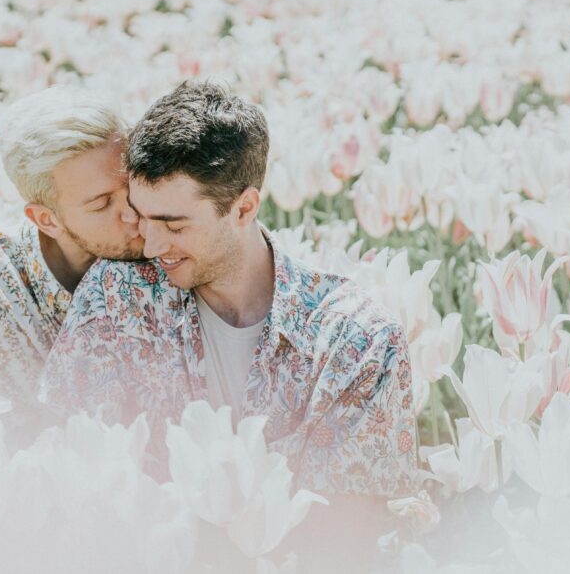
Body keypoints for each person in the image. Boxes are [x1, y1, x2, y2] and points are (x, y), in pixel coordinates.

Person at [40, 81, 418, 572]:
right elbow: (73, 470)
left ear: (244, 207)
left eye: (174, 225)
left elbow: (345, 542)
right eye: (142, 218)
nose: (150, 246)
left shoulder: (358, 341)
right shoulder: (116, 298)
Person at [0, 86, 144, 442]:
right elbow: (22, 440)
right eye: (103, 204)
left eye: (133, 186)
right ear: (46, 219)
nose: (134, 213)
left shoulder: (167, 234)